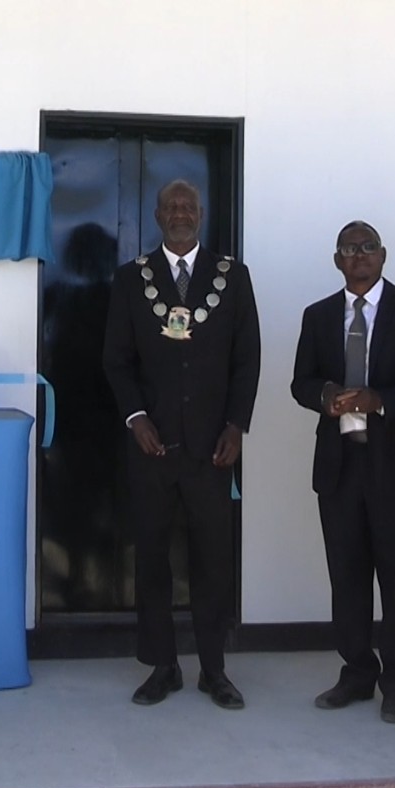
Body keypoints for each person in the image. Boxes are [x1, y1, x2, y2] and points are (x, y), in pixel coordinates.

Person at [102, 179, 261, 710]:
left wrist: (236, 425)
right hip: (151, 448)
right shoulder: (132, 278)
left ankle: (213, 669)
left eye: (188, 206)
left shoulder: (232, 276)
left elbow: (247, 358)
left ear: (201, 213)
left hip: (213, 448)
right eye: (170, 206)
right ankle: (162, 666)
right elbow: (116, 359)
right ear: (156, 215)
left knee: (213, 560)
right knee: (151, 559)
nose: (179, 213)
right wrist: (135, 417)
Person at [290, 222, 395, 724]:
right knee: (347, 576)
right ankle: (357, 672)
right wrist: (324, 396)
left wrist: (381, 400)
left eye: (367, 247)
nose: (358, 255)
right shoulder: (318, 315)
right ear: (337, 260)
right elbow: (300, 382)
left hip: (394, 467)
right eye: (348, 249)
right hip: (339, 466)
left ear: (383, 255)